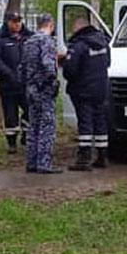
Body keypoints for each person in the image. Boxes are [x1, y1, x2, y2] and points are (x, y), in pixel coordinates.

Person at [62, 14, 113, 171]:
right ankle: (102, 156)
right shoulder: (103, 42)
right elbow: (108, 63)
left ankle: (84, 159)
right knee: (100, 121)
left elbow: (70, 70)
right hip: (100, 88)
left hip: (82, 90)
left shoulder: (78, 45)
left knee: (85, 122)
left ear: (78, 27)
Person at [19, 13, 63, 174]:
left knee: (33, 126)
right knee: (47, 126)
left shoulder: (28, 42)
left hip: (30, 88)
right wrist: (52, 82)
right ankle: (44, 163)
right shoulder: (47, 41)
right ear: (50, 25)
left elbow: (21, 68)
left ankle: (31, 162)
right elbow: (48, 65)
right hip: (44, 89)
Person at [0, 12, 32, 152]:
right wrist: (8, 74)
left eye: (19, 21)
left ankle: (26, 134)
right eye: (14, 21)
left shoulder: (28, 36)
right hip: (8, 83)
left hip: (26, 82)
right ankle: (11, 143)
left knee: (30, 109)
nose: (17, 24)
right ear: (7, 22)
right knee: (10, 115)